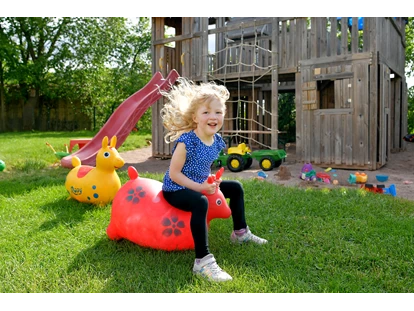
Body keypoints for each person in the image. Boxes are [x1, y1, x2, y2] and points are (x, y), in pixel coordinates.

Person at [159, 77, 268, 282]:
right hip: (176, 188)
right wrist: (200, 187)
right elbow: (174, 174)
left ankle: (240, 233)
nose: (213, 116)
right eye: (206, 112)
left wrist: (211, 181)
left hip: (199, 184)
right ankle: (202, 261)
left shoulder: (217, 141)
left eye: (218, 112)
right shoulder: (186, 141)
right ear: (195, 117)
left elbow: (202, 168)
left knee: (235, 187)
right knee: (200, 202)